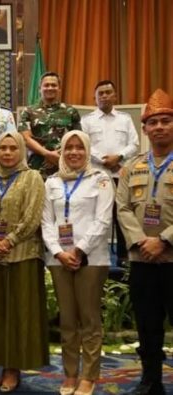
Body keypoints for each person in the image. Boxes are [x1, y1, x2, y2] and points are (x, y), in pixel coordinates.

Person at [0, 131, 47, 393]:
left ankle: (13, 368)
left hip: (22, 255)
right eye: (2, 147)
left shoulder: (32, 178)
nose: (7, 153)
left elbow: (33, 216)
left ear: (22, 150)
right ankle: (3, 365)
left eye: (13, 148)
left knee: (19, 314)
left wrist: (9, 241)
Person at [42, 131, 113, 395]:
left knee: (89, 319)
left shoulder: (101, 179)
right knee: (68, 320)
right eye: (68, 148)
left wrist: (80, 250)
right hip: (59, 259)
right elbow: (46, 222)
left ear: (87, 150)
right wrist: (60, 252)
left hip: (91, 259)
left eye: (79, 148)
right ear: (61, 151)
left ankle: (89, 375)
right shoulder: (52, 182)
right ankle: (70, 374)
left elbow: (103, 220)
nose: (73, 152)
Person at [116, 89, 173, 395]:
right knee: (147, 324)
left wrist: (163, 239)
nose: (160, 127)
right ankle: (150, 380)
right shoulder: (133, 166)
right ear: (145, 128)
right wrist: (141, 241)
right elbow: (122, 207)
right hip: (142, 260)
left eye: (166, 121)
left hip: (172, 258)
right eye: (154, 122)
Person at [81, 80, 139, 267]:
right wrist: (105, 161)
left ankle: (123, 258)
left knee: (121, 215)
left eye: (108, 92)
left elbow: (134, 144)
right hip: (96, 176)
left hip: (121, 175)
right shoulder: (87, 120)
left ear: (115, 96)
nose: (104, 96)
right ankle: (93, 256)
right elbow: (84, 145)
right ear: (94, 97)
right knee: (94, 217)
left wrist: (119, 157)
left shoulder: (125, 118)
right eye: (101, 93)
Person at [20, 72, 82, 179]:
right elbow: (25, 138)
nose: (50, 88)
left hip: (63, 164)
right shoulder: (28, 111)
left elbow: (78, 138)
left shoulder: (70, 111)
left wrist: (58, 154)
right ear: (40, 89)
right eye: (46, 85)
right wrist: (47, 154)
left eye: (54, 85)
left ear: (59, 89)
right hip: (36, 167)